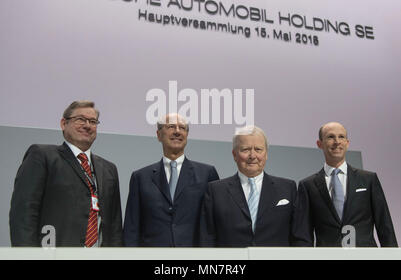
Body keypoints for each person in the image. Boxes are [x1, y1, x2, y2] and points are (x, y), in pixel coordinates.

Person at [9, 101, 123, 247]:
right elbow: (23, 214)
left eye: (93, 121)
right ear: (64, 124)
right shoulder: (42, 156)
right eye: (80, 119)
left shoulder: (109, 169)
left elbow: (114, 226)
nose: (87, 125)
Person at [200, 125, 307, 247]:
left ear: (266, 154)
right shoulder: (215, 191)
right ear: (234, 154)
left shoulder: (288, 188)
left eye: (258, 149)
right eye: (245, 149)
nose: (252, 156)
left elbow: (300, 237)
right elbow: (206, 238)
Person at [123, 113, 219, 247]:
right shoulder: (140, 177)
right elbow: (131, 228)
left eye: (183, 128)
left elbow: (214, 224)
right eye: (171, 127)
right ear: (159, 135)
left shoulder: (207, 174)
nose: (177, 132)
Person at [296, 121, 398, 247]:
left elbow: (385, 226)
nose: (337, 141)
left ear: (347, 143)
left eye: (341, 137)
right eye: (330, 137)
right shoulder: (308, 186)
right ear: (320, 144)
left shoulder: (368, 179)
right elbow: (303, 234)